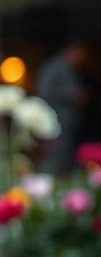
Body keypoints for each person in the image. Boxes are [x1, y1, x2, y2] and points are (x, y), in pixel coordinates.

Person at [36, 37, 90, 176]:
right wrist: (72, 95)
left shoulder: (69, 68)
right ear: (72, 50)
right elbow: (44, 91)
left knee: (66, 161)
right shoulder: (55, 67)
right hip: (56, 124)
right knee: (56, 161)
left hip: (67, 125)